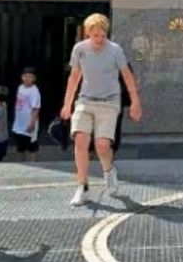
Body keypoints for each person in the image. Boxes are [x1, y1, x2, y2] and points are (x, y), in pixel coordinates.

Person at [60, 14, 142, 207]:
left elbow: (127, 76)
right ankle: (83, 187)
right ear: (88, 33)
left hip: (109, 102)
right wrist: (67, 104)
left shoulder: (115, 51)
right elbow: (74, 77)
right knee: (80, 141)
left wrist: (135, 101)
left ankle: (108, 170)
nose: (99, 39)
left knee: (102, 146)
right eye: (95, 35)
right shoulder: (79, 49)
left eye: (102, 35)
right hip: (85, 101)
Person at [12, 67, 41, 162]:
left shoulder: (34, 91)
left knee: (31, 147)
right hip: (19, 123)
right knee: (20, 147)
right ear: (22, 77)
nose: (27, 79)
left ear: (34, 78)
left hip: (29, 124)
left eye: (30, 77)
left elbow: (36, 108)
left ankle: (33, 166)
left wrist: (32, 123)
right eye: (25, 76)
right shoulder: (20, 88)